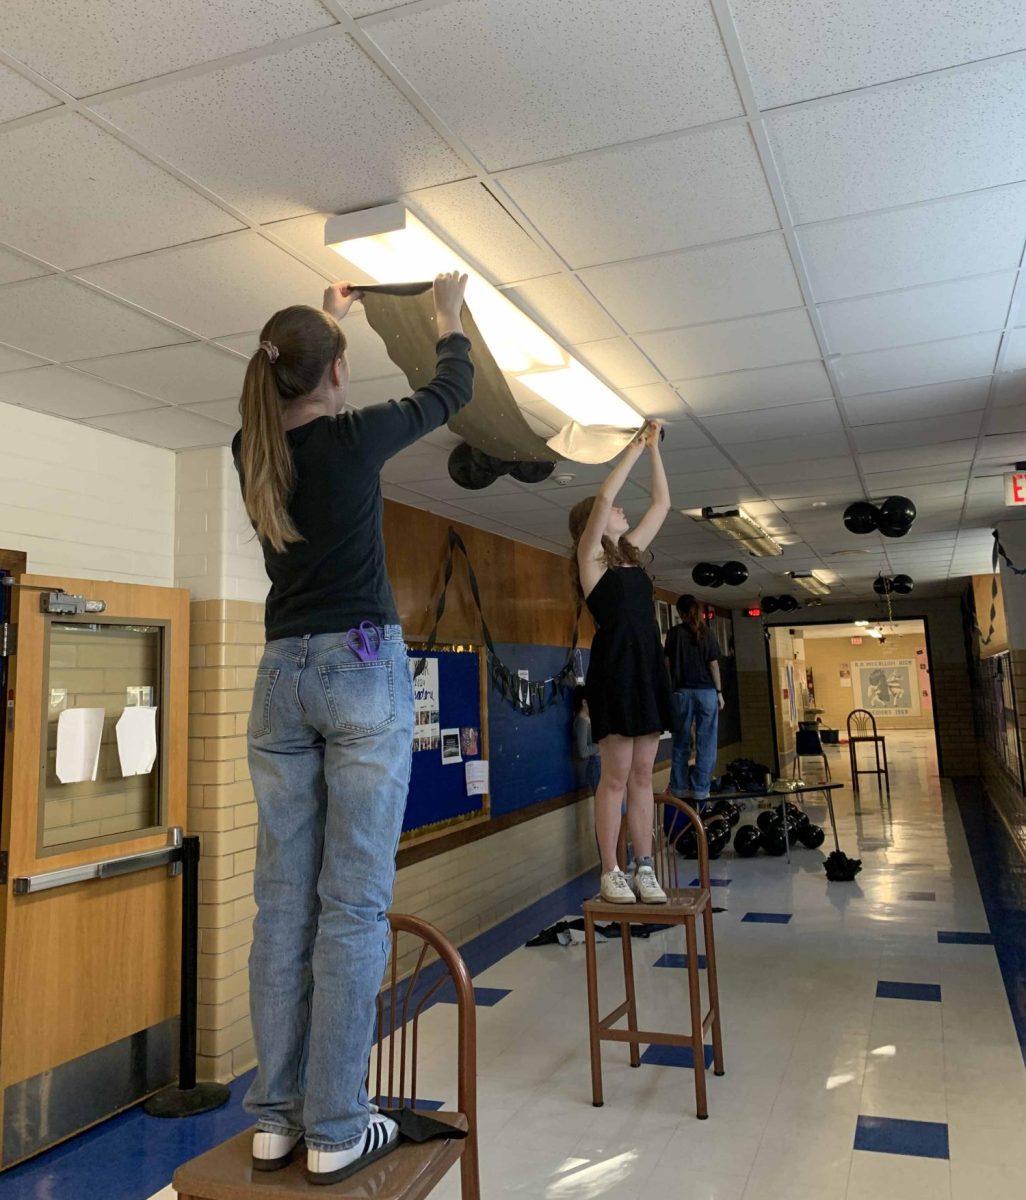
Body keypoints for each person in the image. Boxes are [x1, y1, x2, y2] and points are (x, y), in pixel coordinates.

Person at [233, 272, 472, 1184]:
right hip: (359, 669)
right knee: (354, 904)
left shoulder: (248, 447)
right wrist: (446, 318)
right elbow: (453, 391)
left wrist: (325, 324)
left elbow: (282, 379)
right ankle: (338, 1123)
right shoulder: (351, 437)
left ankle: (276, 1118)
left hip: (279, 676)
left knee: (282, 904)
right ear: (336, 373)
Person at [568, 421, 674, 905]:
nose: (621, 511)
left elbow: (662, 504)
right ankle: (610, 870)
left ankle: (644, 866)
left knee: (642, 774)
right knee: (614, 776)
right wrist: (634, 444)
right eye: (612, 512)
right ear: (595, 520)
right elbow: (607, 492)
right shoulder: (590, 559)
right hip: (615, 671)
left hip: (648, 669)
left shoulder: (632, 555)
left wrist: (654, 450)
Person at [665, 595, 724, 806]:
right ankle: (701, 789)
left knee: (681, 742)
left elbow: (668, 664)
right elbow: (714, 665)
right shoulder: (707, 633)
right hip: (707, 692)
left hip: (682, 692)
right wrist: (719, 692)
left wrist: (669, 691)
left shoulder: (673, 634)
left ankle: (679, 787)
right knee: (706, 742)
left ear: (680, 613)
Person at [572, 685, 601, 796]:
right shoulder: (582, 721)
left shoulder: (588, 719)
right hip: (596, 764)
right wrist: (601, 746)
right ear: (584, 702)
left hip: (601, 763)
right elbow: (582, 751)